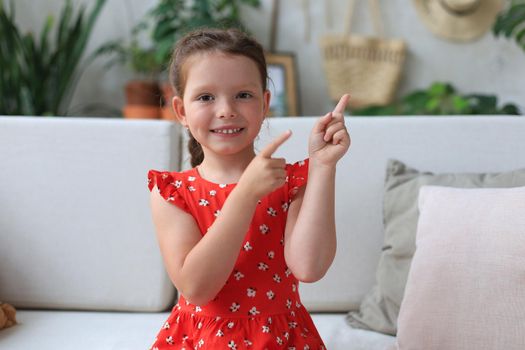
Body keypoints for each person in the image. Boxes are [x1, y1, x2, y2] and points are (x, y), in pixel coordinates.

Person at [147, 28, 350, 349]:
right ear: (182, 111)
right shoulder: (173, 192)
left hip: (281, 339)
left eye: (243, 94)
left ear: (265, 103)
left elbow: (309, 268)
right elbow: (197, 289)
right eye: (205, 97)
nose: (226, 109)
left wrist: (323, 165)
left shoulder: (291, 181)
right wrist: (246, 194)